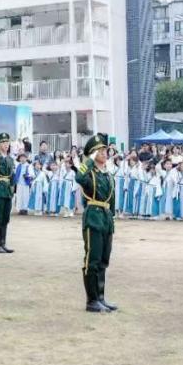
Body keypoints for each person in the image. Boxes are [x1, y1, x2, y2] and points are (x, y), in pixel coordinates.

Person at [73, 133, 118, 313]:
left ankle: (100, 297)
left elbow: (112, 198)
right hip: (93, 216)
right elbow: (79, 178)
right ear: (92, 154)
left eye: (105, 149)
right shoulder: (89, 172)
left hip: (106, 218)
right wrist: (89, 160)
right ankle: (91, 301)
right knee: (92, 259)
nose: (104, 152)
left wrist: (112, 217)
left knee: (103, 260)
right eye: (99, 150)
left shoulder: (107, 173)